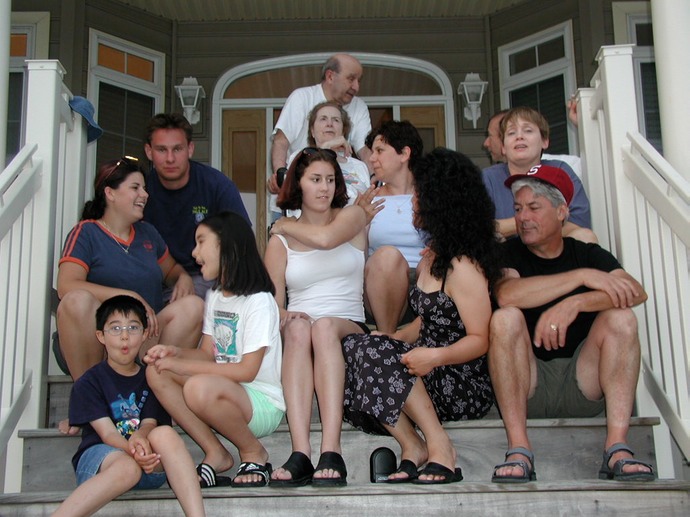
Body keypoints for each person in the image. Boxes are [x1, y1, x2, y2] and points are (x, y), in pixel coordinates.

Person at [342, 148, 500, 484]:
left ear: (440, 202)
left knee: (377, 357)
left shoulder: (463, 265)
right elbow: (427, 322)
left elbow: (481, 339)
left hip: (459, 379)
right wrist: (393, 339)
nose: (412, 201)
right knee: (358, 346)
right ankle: (413, 445)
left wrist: (435, 356)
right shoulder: (431, 257)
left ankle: (441, 446)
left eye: (420, 195)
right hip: (427, 370)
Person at [489, 165, 654, 483]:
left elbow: (635, 291)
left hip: (584, 382)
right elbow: (507, 294)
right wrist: (581, 278)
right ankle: (519, 448)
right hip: (529, 384)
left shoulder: (587, 253)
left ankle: (617, 447)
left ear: (562, 211)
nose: (523, 217)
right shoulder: (508, 252)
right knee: (505, 319)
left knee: (622, 318)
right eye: (519, 208)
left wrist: (576, 302)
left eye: (534, 208)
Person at [144, 212, 285, 488]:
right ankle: (216, 452)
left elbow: (247, 370)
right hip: (222, 389)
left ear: (226, 245)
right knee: (157, 371)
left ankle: (252, 450)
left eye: (200, 242)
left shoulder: (259, 301)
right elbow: (208, 353)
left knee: (198, 387)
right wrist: (174, 353)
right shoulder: (216, 296)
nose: (194, 252)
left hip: (260, 402)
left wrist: (184, 367)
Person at [263, 148, 370, 487]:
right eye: (315, 180)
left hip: (349, 325)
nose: (324, 188)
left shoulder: (351, 217)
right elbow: (273, 302)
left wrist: (283, 224)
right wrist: (284, 314)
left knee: (322, 326)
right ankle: (301, 453)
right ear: (299, 184)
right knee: (298, 327)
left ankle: (331, 449)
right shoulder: (280, 241)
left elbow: (325, 240)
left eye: (330, 179)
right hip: (304, 332)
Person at [53, 295, 205, 517]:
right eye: (115, 329)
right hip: (102, 460)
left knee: (165, 434)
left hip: (147, 463)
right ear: (100, 336)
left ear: (144, 334)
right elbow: (107, 433)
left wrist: (141, 438)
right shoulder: (89, 382)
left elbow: (150, 422)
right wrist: (132, 449)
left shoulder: (151, 378)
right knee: (127, 467)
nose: (124, 336)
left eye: (133, 328)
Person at [57, 156, 203, 382]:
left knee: (194, 306)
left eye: (144, 189)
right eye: (135, 187)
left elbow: (172, 269)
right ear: (110, 193)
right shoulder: (86, 232)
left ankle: (157, 388)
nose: (144, 195)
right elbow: (66, 286)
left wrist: (183, 277)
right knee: (76, 300)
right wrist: (127, 296)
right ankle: (91, 398)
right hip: (101, 341)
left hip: (145, 339)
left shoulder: (148, 234)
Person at [143, 112, 250, 300]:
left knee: (191, 303)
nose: (170, 158)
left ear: (190, 149)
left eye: (177, 149)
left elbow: (241, 240)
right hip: (153, 276)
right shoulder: (140, 190)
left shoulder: (216, 185)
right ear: (148, 151)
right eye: (161, 150)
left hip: (207, 275)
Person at [268, 54, 372, 222]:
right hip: (295, 205)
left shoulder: (359, 106)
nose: (356, 87)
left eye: (359, 80)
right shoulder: (302, 97)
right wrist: (282, 178)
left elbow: (365, 151)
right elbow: (281, 141)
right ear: (330, 76)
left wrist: (378, 182)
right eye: (351, 79)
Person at [481, 106, 595, 242]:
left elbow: (578, 220)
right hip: (506, 253)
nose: (519, 136)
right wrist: (533, 220)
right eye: (511, 133)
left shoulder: (560, 170)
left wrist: (537, 238)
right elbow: (475, 228)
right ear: (503, 147)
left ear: (544, 141)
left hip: (552, 253)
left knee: (586, 236)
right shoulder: (486, 179)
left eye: (528, 130)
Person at [362, 120, 425, 333]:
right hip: (379, 285)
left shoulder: (431, 197)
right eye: (372, 151)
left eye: (379, 150)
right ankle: (387, 339)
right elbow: (356, 256)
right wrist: (360, 221)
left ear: (404, 154)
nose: (372, 158)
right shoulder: (367, 200)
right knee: (387, 255)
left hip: (425, 283)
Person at [285, 101, 370, 205]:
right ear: (312, 130)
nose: (329, 124)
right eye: (323, 119)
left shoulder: (359, 166)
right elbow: (291, 194)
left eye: (336, 120)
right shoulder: (300, 157)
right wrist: (325, 149)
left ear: (343, 131)